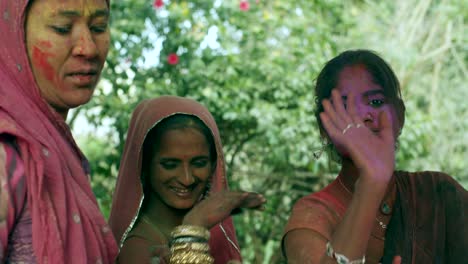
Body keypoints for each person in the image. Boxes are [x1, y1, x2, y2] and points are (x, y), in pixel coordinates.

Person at [282, 49, 468, 263]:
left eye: (376, 102)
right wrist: (371, 183)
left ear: (400, 116)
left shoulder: (438, 194)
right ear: (325, 128)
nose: (365, 116)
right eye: (345, 107)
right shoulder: (312, 217)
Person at [0, 0, 118, 262]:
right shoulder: (6, 152)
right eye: (62, 28)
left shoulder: (56, 148)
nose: (88, 48)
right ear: (13, 37)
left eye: (99, 27)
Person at [109, 96, 266, 264]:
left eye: (199, 163)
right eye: (170, 165)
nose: (187, 179)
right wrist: (193, 229)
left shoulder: (214, 230)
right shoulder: (137, 248)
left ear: (214, 165)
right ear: (144, 166)